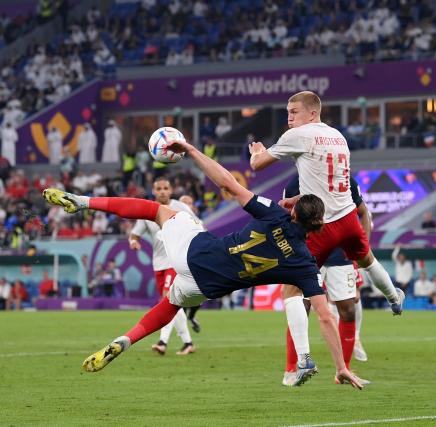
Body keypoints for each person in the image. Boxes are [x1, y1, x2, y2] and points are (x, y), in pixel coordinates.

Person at [42, 138, 362, 389]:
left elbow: (228, 183)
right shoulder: (305, 265)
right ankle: (125, 341)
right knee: (171, 304)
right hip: (208, 287)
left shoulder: (275, 213)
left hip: (195, 254)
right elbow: (325, 317)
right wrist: (341, 367)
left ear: (293, 210)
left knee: (162, 210)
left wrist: (192, 151)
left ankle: (81, 202)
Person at [248, 91, 403, 385]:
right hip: (347, 219)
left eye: (294, 111)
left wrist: (257, 151)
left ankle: (302, 362)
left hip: (322, 225)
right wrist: (297, 198)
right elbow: (324, 182)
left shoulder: (298, 135)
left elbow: (258, 165)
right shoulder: (338, 137)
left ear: (311, 113)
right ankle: (394, 298)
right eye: (288, 112)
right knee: (367, 259)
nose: (289, 118)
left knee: (291, 292)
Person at [281, 173, 372, 384]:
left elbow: (364, 212)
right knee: (301, 307)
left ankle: (344, 372)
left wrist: (361, 249)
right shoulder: (294, 183)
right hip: (309, 255)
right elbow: (286, 219)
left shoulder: (345, 179)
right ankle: (290, 370)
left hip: (340, 256)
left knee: (348, 310)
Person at [129, 178, 196, 356]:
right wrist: (133, 242)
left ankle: (162, 342)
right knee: (172, 302)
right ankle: (188, 343)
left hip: (176, 262)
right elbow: (134, 234)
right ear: (153, 191)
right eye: (159, 189)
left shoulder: (180, 207)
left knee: (167, 300)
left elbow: (199, 226)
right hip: (158, 264)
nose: (163, 192)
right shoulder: (148, 211)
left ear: (171, 190)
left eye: (166, 188)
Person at [178, 194, 203, 332]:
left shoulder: (198, 222)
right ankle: (166, 340)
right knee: (174, 298)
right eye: (184, 203)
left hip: (193, 263)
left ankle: (191, 317)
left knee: (199, 294)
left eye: (190, 202)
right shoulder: (172, 220)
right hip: (174, 263)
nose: (187, 205)